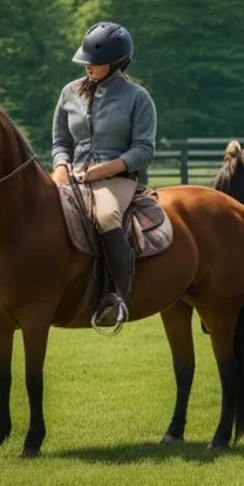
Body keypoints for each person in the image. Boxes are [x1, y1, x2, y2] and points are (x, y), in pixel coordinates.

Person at [52, 22, 156, 332]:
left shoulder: (138, 98)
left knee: (107, 215)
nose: (87, 67)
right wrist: (60, 167)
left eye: (94, 62)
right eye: (85, 61)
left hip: (117, 180)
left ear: (117, 63)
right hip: (71, 176)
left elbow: (144, 150)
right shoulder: (68, 93)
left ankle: (118, 296)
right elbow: (60, 142)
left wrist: (104, 170)